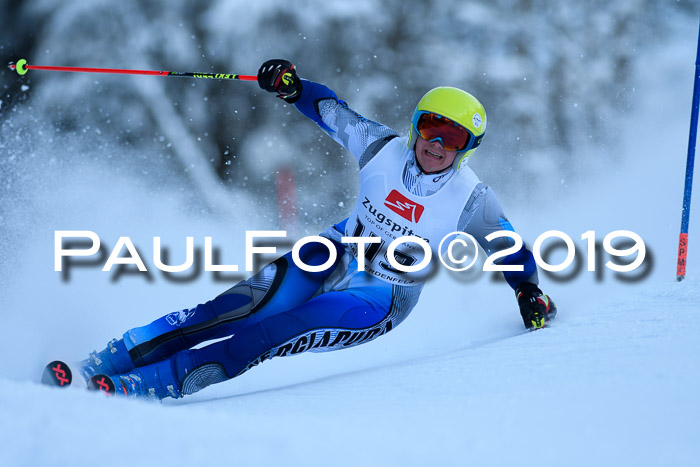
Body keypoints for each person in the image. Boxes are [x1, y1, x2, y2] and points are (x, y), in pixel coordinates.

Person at [79, 59, 556, 400]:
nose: (435, 143)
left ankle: (150, 386)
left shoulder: (471, 198)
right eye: (430, 126)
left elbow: (509, 248)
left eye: (452, 137)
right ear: (415, 126)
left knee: (275, 330)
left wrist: (527, 291)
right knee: (232, 308)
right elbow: (330, 109)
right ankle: (113, 359)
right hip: (334, 251)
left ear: (466, 149)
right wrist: (293, 87)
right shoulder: (382, 147)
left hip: (383, 295)